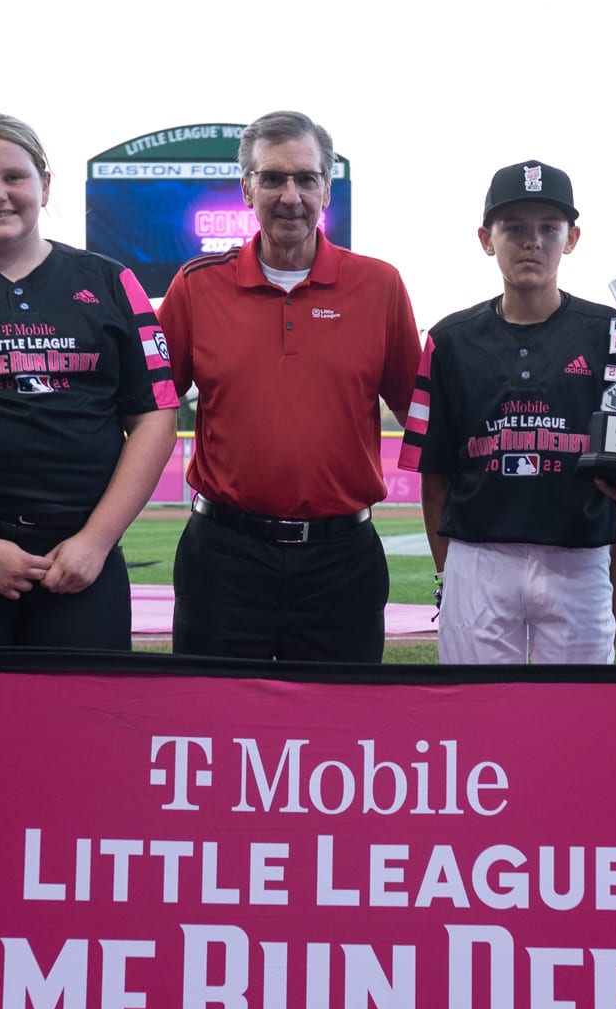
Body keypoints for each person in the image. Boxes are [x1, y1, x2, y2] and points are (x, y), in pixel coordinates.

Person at [0, 115, 177, 650]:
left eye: (14, 177)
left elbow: (156, 416)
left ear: (45, 185)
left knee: (81, 728)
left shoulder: (111, 283)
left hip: (79, 564)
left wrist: (95, 541)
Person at [157, 110, 421, 662]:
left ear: (327, 187)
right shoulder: (195, 287)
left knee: (339, 737)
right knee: (212, 730)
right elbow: (146, 409)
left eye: (305, 178)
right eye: (272, 178)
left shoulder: (379, 287)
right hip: (223, 558)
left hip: (341, 561)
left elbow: (426, 418)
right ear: (246, 189)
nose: (290, 195)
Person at [399, 161, 616, 664]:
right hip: (478, 557)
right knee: (477, 723)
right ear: (486, 237)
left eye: (548, 228)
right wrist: (447, 575)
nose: (532, 241)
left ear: (572, 236)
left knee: (576, 724)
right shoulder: (449, 340)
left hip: (580, 557)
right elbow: (436, 479)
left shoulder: (614, 333)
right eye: (514, 227)